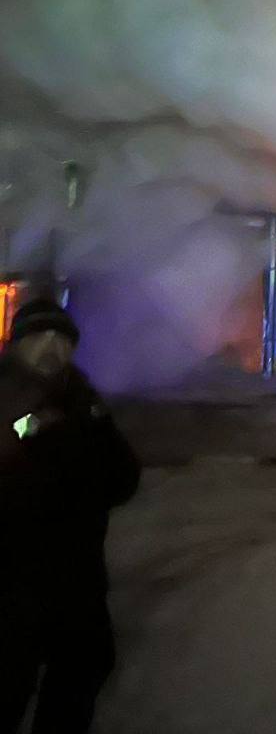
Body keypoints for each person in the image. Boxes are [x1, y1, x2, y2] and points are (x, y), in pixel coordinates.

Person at [1, 298, 140, 734]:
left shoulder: (83, 398)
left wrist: (84, 444)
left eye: (61, 339)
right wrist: (34, 427)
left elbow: (122, 477)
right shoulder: (8, 393)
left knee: (84, 667)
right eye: (39, 338)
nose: (51, 349)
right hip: (12, 579)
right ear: (17, 345)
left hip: (76, 577)